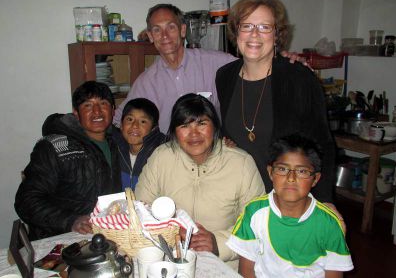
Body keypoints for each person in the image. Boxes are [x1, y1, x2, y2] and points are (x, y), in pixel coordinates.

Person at [216, 0, 336, 203]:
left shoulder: (299, 78)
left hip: (287, 197)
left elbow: (323, 144)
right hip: (239, 195)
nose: (254, 34)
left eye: (264, 27)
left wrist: (326, 202)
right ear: (236, 33)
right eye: (247, 26)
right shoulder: (224, 76)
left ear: (277, 35)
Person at [113, 3, 304, 132]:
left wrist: (281, 60)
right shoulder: (146, 82)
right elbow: (118, 121)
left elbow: (254, 63)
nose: (164, 35)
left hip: (217, 155)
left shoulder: (215, 63)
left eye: (170, 27)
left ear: (182, 30)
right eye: (157, 29)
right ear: (150, 35)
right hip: (171, 160)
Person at [135, 93, 265, 266]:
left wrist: (217, 243)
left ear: (215, 126)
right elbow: (140, 208)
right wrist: (170, 232)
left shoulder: (241, 164)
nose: (194, 134)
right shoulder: (161, 157)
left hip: (223, 267)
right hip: (169, 264)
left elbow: (257, 224)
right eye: (184, 125)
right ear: (174, 130)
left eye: (202, 123)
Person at [227, 134, 353, 277]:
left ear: (315, 179)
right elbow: (246, 270)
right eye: (282, 169)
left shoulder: (329, 223)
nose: (291, 178)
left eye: (302, 171)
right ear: (270, 172)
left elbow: (334, 274)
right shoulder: (253, 212)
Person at [14, 81, 122, 240]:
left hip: (104, 235)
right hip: (60, 238)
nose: (97, 111)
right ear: (76, 113)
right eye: (88, 105)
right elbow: (26, 201)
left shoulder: (120, 143)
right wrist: (71, 220)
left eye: (103, 103)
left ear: (113, 110)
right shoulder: (55, 147)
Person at [113, 98, 166, 190]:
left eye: (143, 121)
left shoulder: (163, 151)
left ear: (154, 128)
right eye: (130, 119)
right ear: (121, 124)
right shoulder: (114, 146)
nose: (134, 126)